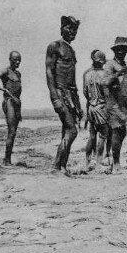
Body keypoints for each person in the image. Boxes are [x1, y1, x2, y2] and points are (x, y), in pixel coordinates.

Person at [45, 16, 83, 174]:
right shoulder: (55, 46)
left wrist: (78, 104)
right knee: (72, 130)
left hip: (71, 94)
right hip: (60, 92)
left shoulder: (71, 49)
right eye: (69, 28)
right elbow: (49, 72)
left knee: (65, 130)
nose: (72, 32)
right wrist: (54, 97)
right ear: (62, 28)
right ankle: (55, 167)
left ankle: (62, 166)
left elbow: (73, 80)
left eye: (75, 29)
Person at [103, 36, 127, 173]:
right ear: (115, 50)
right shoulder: (109, 64)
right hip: (113, 102)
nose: (122, 52)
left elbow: (125, 86)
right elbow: (105, 82)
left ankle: (116, 161)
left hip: (123, 103)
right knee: (116, 130)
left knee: (122, 132)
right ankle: (115, 165)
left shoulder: (123, 64)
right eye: (119, 50)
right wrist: (118, 73)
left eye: (124, 49)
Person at [0, 51, 23, 166]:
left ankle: (7, 159)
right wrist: (4, 90)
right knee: (11, 131)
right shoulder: (5, 71)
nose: (17, 62)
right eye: (15, 59)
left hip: (17, 103)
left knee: (14, 132)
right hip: (9, 102)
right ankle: (6, 160)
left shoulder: (18, 74)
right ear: (10, 59)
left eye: (19, 60)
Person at [83, 50, 109, 169]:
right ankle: (98, 162)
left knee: (92, 135)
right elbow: (107, 94)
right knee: (103, 136)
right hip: (101, 106)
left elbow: (85, 93)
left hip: (91, 107)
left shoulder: (86, 74)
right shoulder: (105, 74)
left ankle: (87, 162)